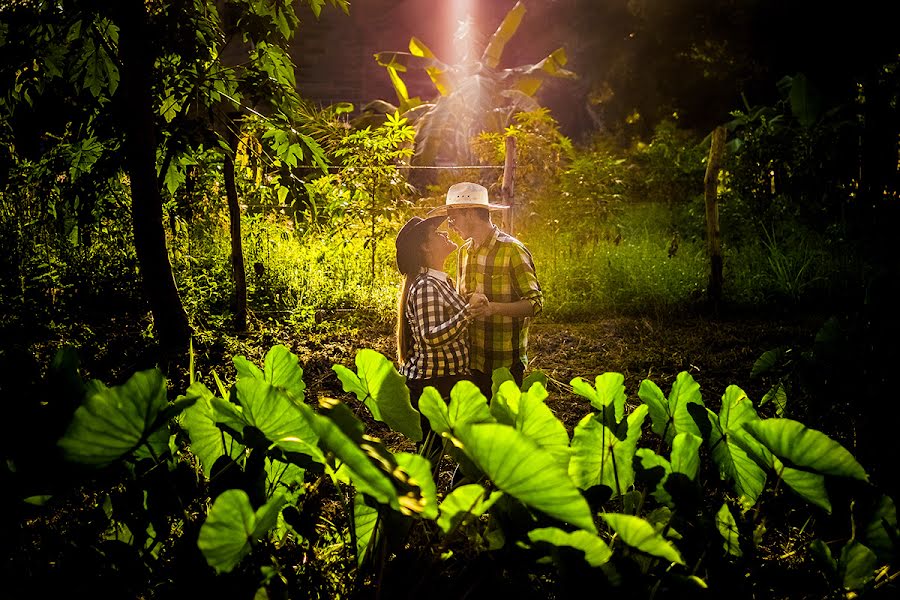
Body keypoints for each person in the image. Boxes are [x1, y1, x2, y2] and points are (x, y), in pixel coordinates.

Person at [427, 182, 543, 400]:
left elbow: (535, 304)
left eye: (453, 218)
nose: (450, 226)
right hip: (470, 359)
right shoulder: (464, 253)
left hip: (504, 361)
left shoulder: (513, 250)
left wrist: (494, 309)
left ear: (470, 213)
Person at [395, 214, 473, 454]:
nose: (444, 233)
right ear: (425, 247)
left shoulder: (439, 281)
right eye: (435, 234)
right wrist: (469, 313)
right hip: (432, 382)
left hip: (440, 380)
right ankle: (421, 492)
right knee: (430, 452)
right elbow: (431, 337)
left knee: (433, 451)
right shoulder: (427, 285)